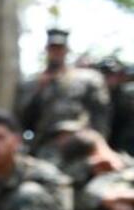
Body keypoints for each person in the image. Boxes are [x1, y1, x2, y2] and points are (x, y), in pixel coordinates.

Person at [18, 28, 110, 158]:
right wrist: (38, 91)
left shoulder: (87, 79)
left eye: (60, 48)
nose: (56, 52)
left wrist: (98, 144)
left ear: (67, 50)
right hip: (44, 144)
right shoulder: (32, 83)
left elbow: (100, 116)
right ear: (47, 49)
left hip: (79, 142)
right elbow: (23, 120)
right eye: (53, 48)